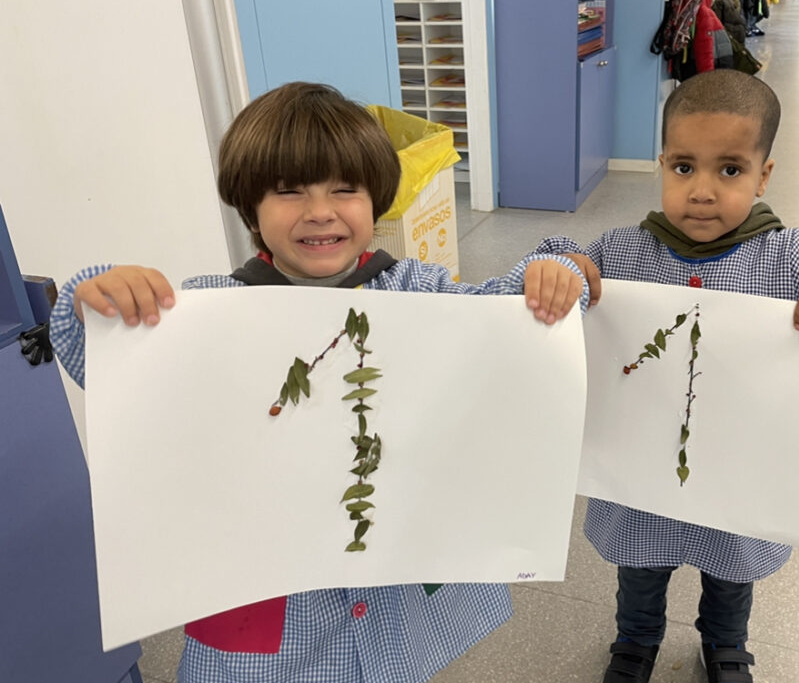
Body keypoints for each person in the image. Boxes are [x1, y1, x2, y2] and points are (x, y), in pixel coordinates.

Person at [49, 82, 589, 683]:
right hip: (271, 609)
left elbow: (505, 318)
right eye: (289, 191)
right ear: (250, 207)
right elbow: (103, 367)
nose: (320, 211)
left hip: (395, 591)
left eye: (345, 189)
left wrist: (555, 271)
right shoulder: (209, 312)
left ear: (376, 199)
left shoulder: (418, 291)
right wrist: (98, 303)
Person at [535, 68, 799, 683]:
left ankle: (725, 644)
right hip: (640, 483)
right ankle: (635, 640)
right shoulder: (622, 251)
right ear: (661, 165)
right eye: (683, 167)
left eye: (730, 170)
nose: (702, 191)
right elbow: (553, 262)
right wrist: (561, 267)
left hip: (741, 483)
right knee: (639, 571)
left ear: (764, 175)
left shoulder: (793, 258)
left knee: (732, 575)